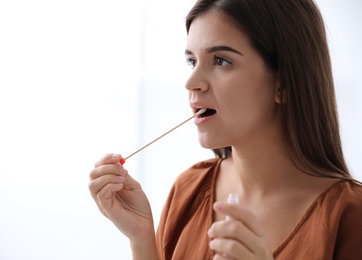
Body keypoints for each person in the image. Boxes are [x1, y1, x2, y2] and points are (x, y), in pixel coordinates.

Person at [88, 0, 362, 259]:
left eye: (221, 60)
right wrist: (142, 238)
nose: (192, 82)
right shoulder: (188, 190)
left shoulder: (349, 216)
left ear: (284, 83)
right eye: (192, 61)